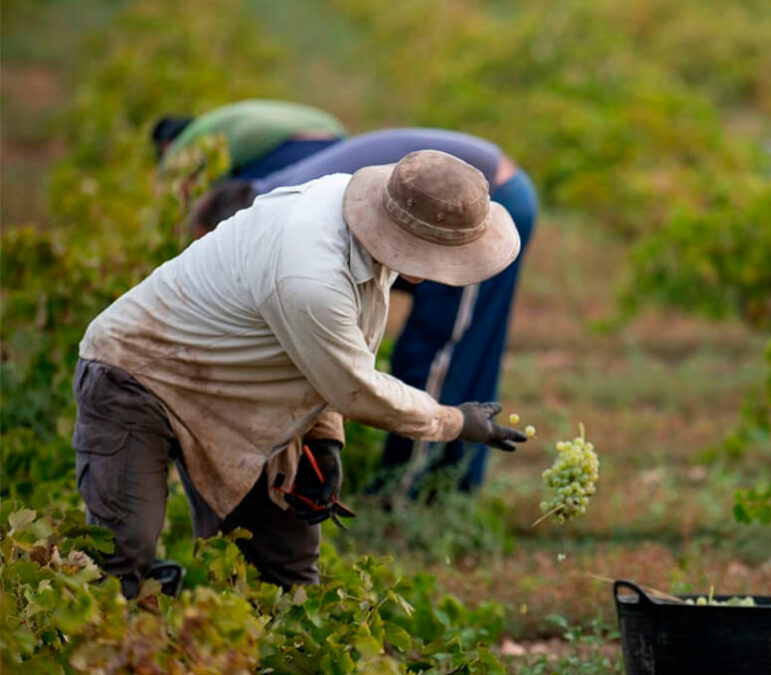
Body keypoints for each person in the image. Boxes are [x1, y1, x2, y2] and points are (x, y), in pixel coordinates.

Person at [73, 150, 528, 598]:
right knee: (122, 561)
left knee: (285, 570)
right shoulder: (312, 276)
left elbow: (338, 357)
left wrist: (324, 441)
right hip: (138, 375)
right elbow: (357, 388)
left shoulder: (366, 224)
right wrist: (452, 421)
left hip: (245, 391)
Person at [190, 128, 539, 495]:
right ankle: (442, 479)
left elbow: (350, 378)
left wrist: (452, 421)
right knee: (445, 348)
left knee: (438, 352)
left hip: (479, 204)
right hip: (461, 195)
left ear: (223, 228)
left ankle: (408, 494)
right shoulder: (274, 202)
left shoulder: (289, 231)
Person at [151, 99, 348, 178]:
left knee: (236, 199)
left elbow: (167, 175)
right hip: (337, 140)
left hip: (294, 148)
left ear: (165, 145)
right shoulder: (221, 118)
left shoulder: (187, 141)